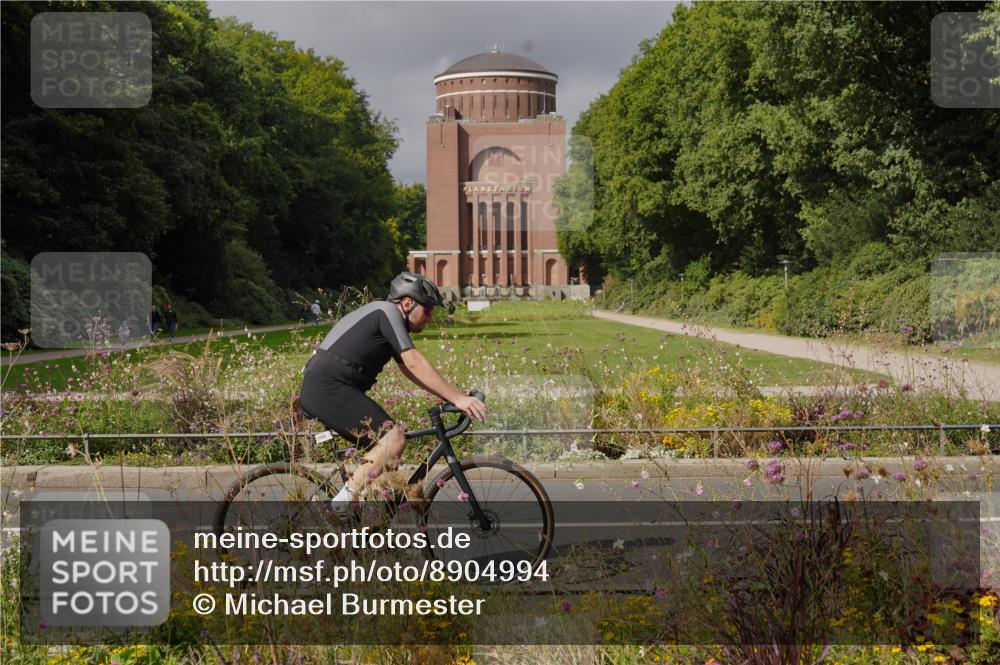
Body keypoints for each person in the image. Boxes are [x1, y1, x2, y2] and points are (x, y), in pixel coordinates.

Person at [298, 272, 487, 514]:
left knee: (383, 457)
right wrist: (459, 399)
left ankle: (359, 523)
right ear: (407, 304)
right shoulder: (387, 313)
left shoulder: (384, 316)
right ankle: (338, 508)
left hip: (330, 386)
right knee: (394, 439)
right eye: (428, 311)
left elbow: (411, 371)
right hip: (327, 387)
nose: (430, 317)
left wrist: (450, 397)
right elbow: (414, 362)